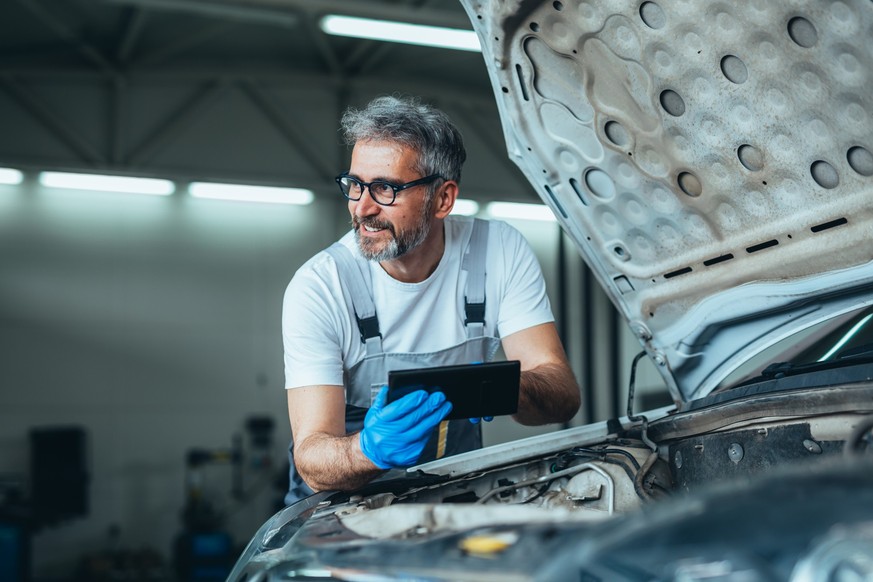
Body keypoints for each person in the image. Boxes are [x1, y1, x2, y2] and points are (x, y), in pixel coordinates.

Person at [281, 95, 580, 504]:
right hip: (338, 510)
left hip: (450, 494)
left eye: (385, 189)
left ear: (443, 199)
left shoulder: (498, 252)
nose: (362, 208)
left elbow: (562, 395)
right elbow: (313, 461)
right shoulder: (321, 285)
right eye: (354, 185)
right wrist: (366, 450)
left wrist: (504, 388)